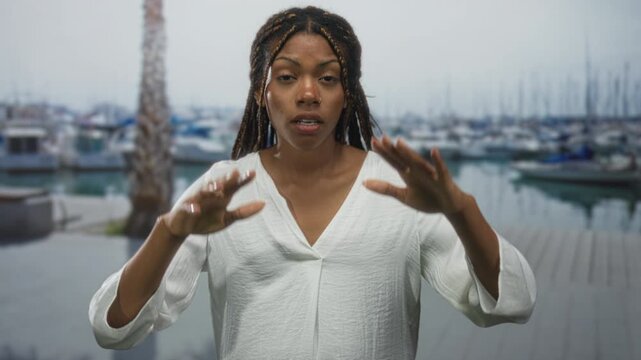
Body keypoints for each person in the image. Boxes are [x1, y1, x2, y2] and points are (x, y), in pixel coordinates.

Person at [89, 6, 536, 359]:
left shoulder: (399, 190)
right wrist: (169, 233)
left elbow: (509, 301)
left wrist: (460, 210)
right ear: (263, 92)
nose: (308, 93)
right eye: (287, 77)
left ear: (348, 94)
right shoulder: (223, 188)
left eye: (327, 77)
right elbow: (115, 325)